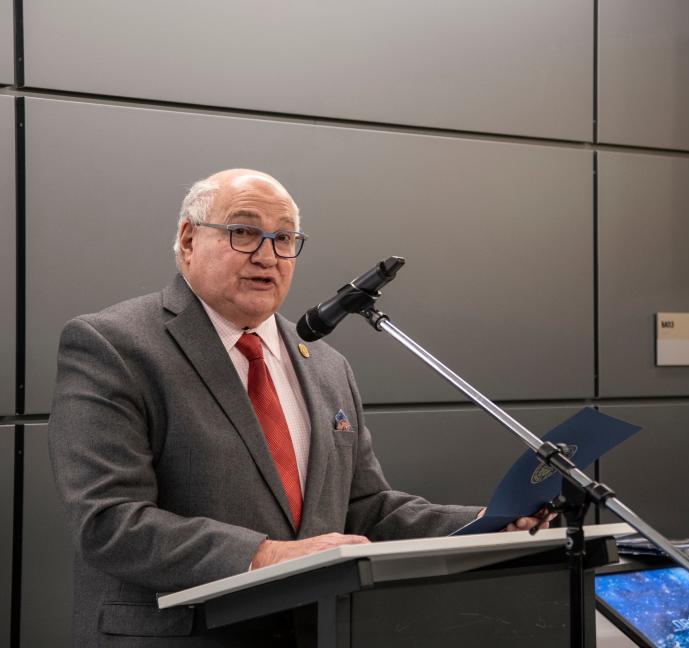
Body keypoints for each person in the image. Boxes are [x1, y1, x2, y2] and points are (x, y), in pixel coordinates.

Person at [47, 169, 550, 647]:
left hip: (321, 633)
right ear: (187, 239)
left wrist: (484, 524)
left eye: (285, 239)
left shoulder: (327, 365)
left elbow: (363, 509)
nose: (268, 255)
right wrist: (267, 555)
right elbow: (110, 522)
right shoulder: (114, 345)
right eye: (244, 231)